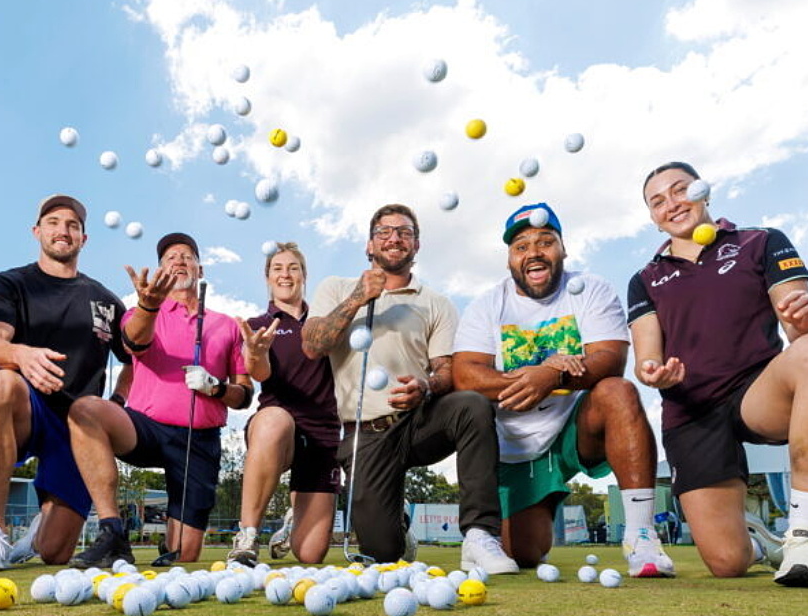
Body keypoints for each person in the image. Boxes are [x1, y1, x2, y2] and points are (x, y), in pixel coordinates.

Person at [629, 162, 808, 587]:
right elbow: (647, 358)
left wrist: (805, 324)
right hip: (691, 412)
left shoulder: (762, 242)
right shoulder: (645, 279)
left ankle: (804, 540)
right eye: (657, 201)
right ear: (652, 216)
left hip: (757, 392)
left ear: (704, 192)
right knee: (727, 562)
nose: (672, 204)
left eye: (680, 190)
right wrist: (654, 374)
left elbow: (799, 329)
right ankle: (757, 543)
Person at [454, 203, 675, 576]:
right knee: (523, 554)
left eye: (545, 242)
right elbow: (465, 375)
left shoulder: (588, 288)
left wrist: (555, 379)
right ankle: (546, 495)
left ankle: (641, 534)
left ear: (562, 249)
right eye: (521, 246)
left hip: (574, 430)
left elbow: (610, 359)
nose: (533, 253)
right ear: (509, 258)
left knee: (618, 391)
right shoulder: (488, 304)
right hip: (515, 448)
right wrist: (540, 372)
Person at [301, 203, 518, 574]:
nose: (395, 238)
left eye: (405, 232)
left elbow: (446, 370)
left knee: (471, 405)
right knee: (383, 553)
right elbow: (312, 345)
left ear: (416, 246)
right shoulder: (335, 287)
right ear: (369, 246)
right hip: (366, 434)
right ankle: (396, 524)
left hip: (419, 420)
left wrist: (426, 387)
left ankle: (480, 534)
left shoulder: (436, 303)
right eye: (384, 232)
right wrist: (357, 297)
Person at [0, 194, 129, 571]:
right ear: (37, 231)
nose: (62, 231)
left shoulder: (106, 301)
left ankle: (36, 534)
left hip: (77, 423)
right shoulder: (9, 283)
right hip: (25, 407)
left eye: (72, 225)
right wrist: (21, 355)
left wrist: (116, 401)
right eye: (53, 222)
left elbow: (133, 360)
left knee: (56, 552)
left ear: (83, 239)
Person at [67, 233, 251, 566]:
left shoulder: (227, 325)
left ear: (201, 268)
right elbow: (134, 342)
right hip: (146, 427)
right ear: (160, 270)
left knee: (184, 553)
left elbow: (244, 396)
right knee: (86, 410)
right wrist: (149, 305)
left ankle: (168, 539)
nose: (179, 260)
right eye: (170, 257)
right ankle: (112, 533)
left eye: (187, 255)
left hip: (199, 440)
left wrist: (216, 388)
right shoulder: (144, 311)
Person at [227, 243, 341, 564]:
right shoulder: (258, 325)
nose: (285, 274)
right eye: (277, 268)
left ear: (304, 275)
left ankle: (294, 521)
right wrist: (257, 352)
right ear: (267, 278)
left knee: (310, 554)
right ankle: (247, 535)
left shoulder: (325, 323)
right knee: (274, 419)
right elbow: (259, 372)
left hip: (323, 438)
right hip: (278, 432)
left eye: (293, 267)